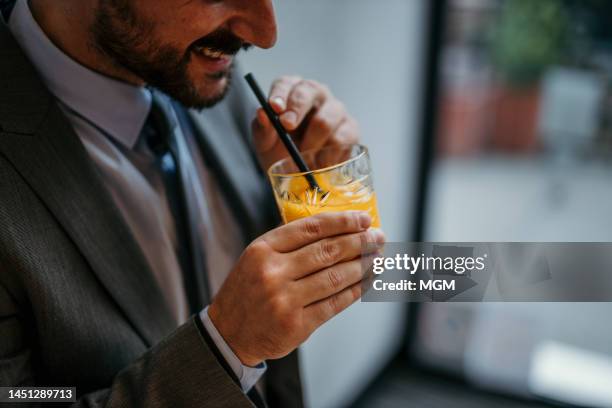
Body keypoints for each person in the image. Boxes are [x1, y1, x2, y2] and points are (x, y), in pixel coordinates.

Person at [0, 0, 385, 406]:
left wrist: (307, 196)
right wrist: (224, 349)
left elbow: (357, 272)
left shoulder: (196, 68)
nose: (264, 33)